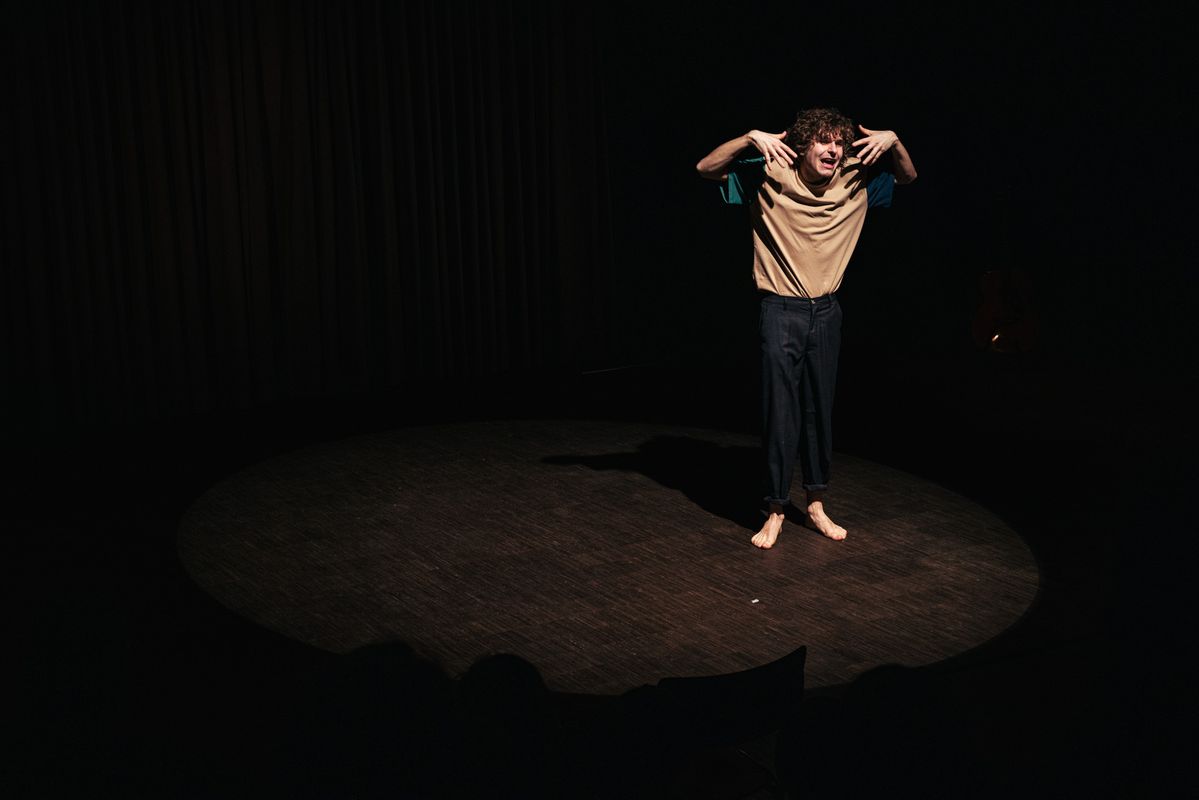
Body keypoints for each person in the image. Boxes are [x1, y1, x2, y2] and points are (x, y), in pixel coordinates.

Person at [696, 108, 917, 548]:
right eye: (824, 141)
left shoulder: (857, 179)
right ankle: (776, 508)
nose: (834, 150)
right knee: (781, 411)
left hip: (827, 311)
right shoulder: (767, 175)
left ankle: (815, 503)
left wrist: (894, 139)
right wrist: (748, 137)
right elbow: (705, 168)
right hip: (781, 309)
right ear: (802, 147)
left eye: (840, 143)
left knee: (819, 410)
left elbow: (908, 177)